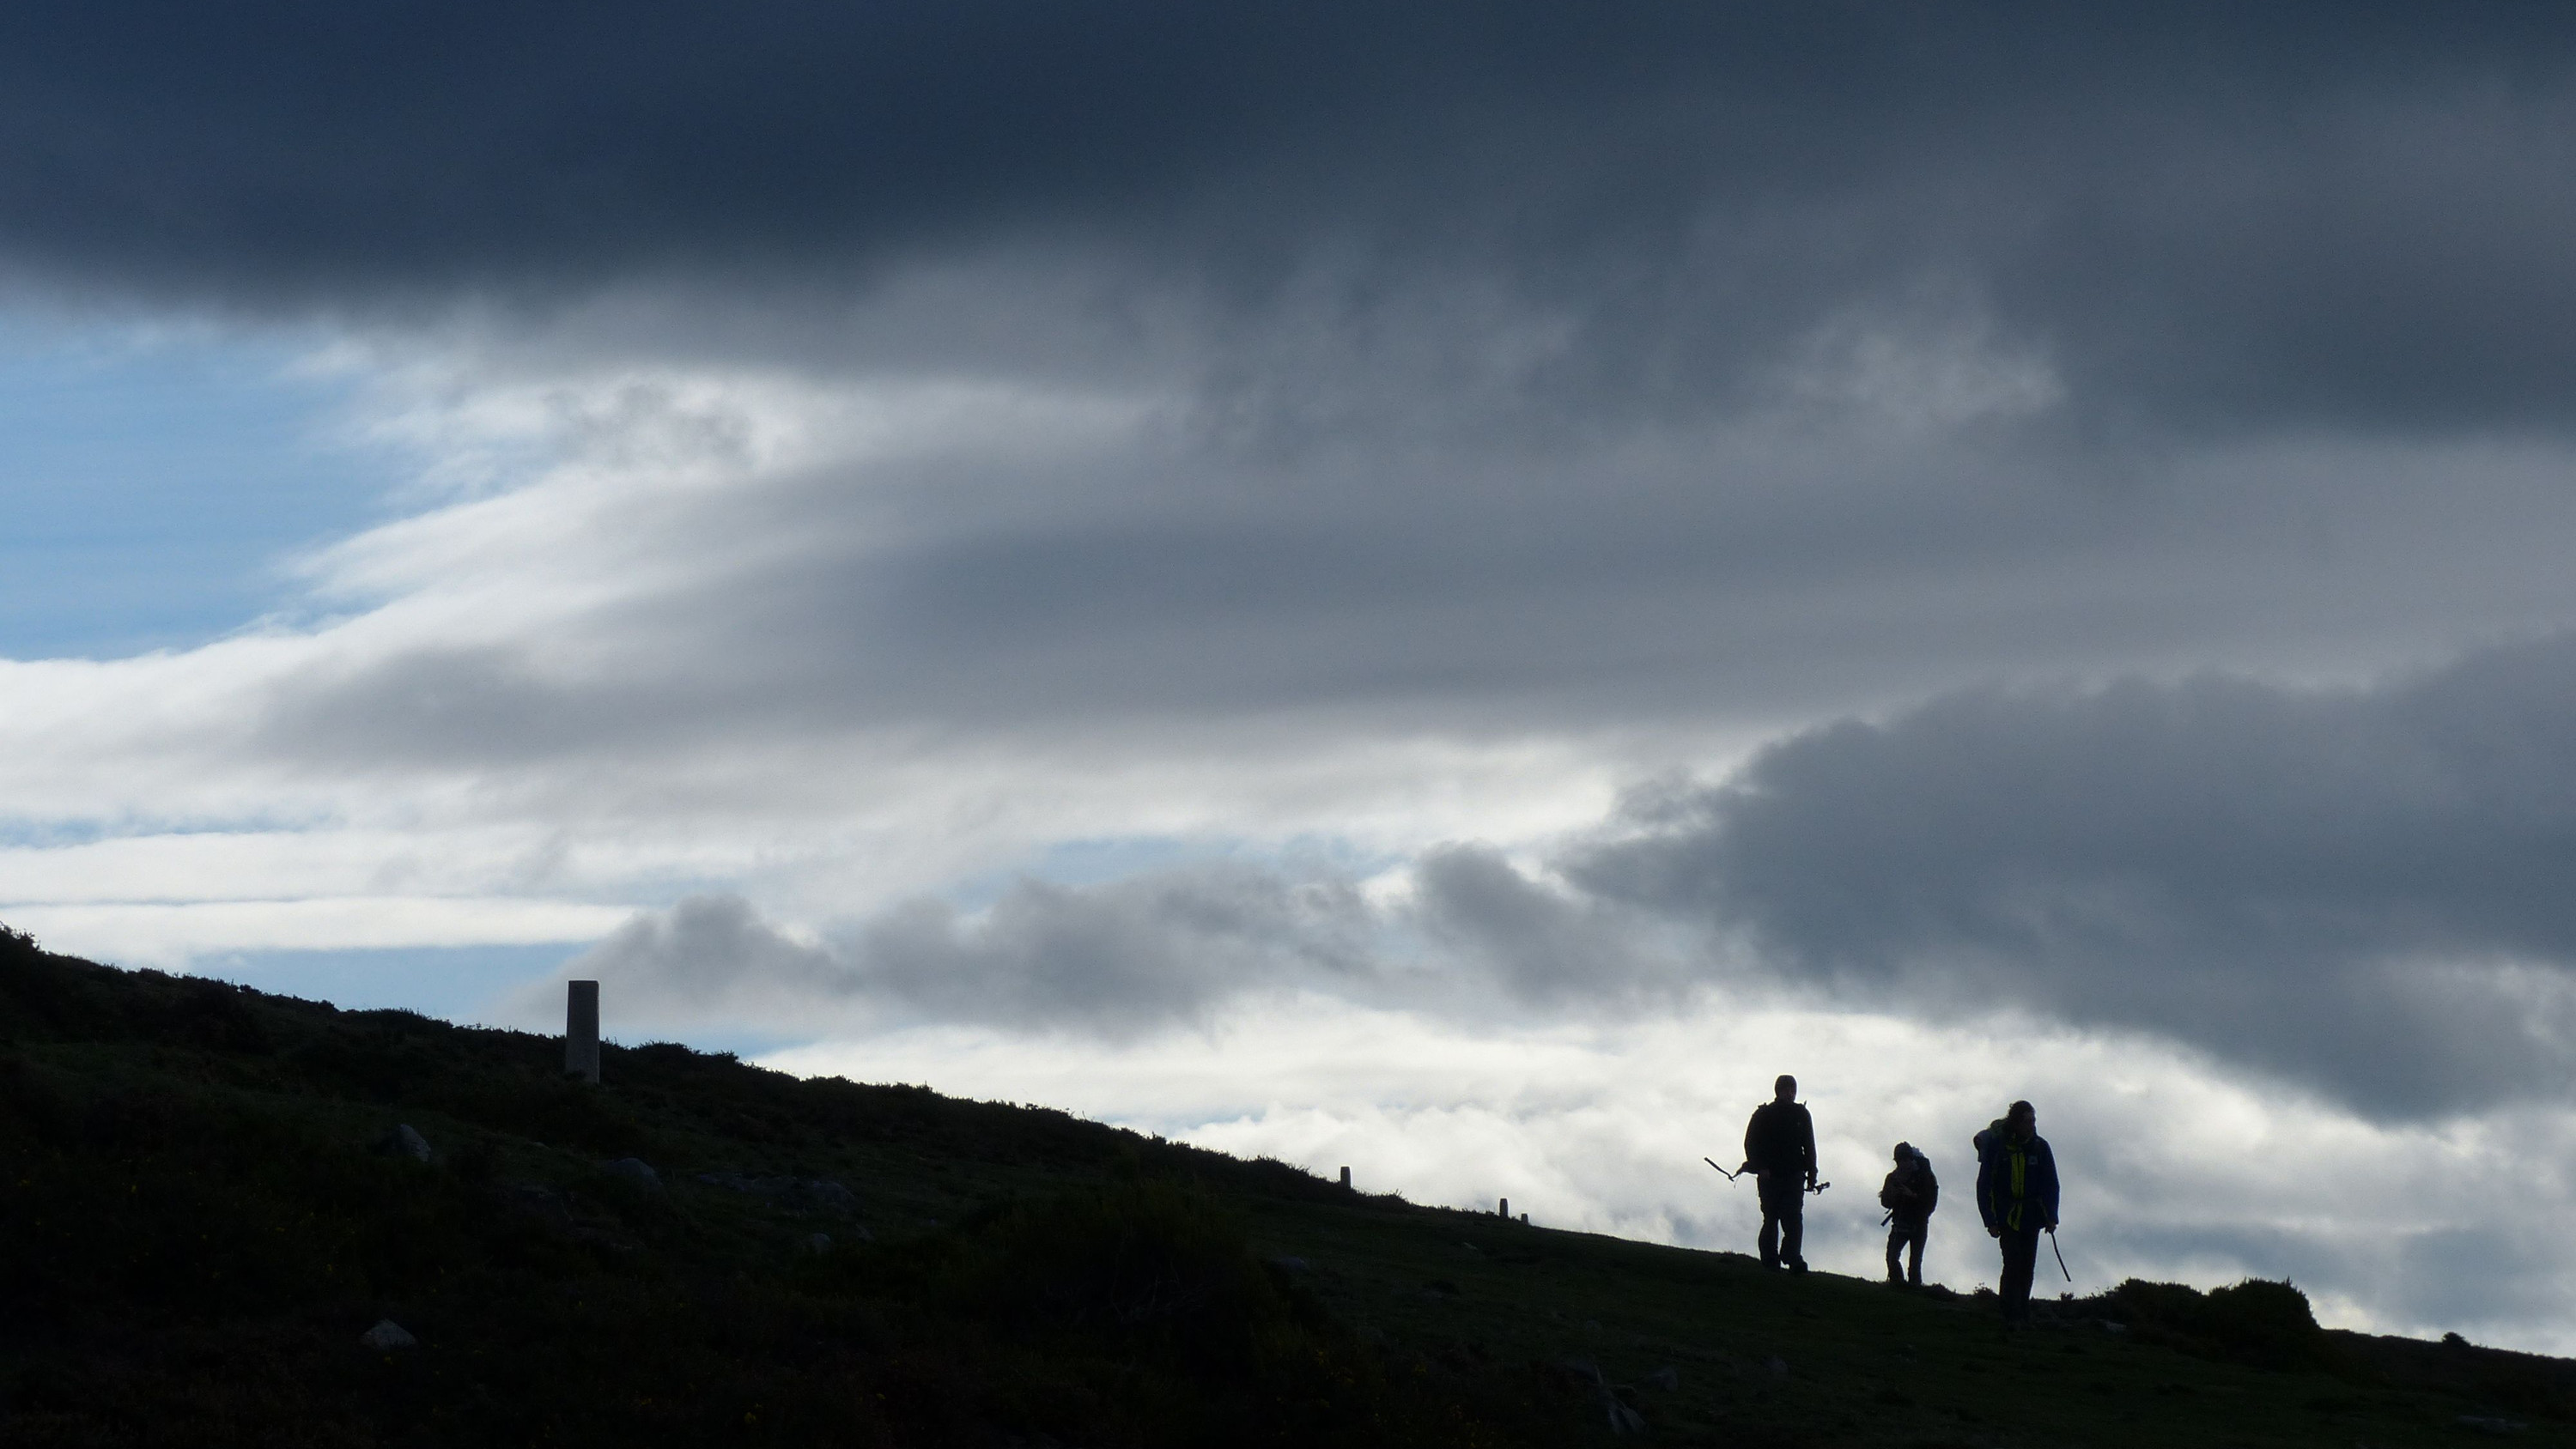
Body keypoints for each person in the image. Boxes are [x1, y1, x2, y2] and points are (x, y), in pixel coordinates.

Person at [1972, 1100, 2060, 1326]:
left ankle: (2022, 1313)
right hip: (2007, 1215)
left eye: (2033, 1121)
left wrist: (2051, 1217)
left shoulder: (2040, 1147)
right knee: (2013, 1263)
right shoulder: (1999, 1147)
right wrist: (1990, 1220)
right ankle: (2010, 1313)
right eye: (2027, 1121)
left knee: (2027, 1266)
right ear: (2016, 1122)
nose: (2031, 1125)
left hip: (2032, 1216)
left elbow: (2051, 1183)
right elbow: (1985, 1184)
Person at [1742, 1074, 1818, 1271]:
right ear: (1779, 1091)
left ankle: (1792, 1257)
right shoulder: (1763, 1114)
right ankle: (1770, 1258)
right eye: (1787, 1089)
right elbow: (1750, 1144)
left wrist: (1812, 1174)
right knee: (1771, 1217)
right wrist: (1761, 1167)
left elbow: (1809, 1146)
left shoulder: (1802, 1114)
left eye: (1793, 1090)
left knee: (1793, 1219)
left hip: (1794, 1175)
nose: (1791, 1094)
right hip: (1770, 1175)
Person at [1879, 1142, 1937, 1286]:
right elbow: (1885, 1202)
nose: (1903, 1164)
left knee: (1915, 1262)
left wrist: (1913, 1196)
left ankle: (1912, 1288)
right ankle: (1899, 1284)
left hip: (1918, 1222)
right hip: (1902, 1222)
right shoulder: (1893, 1178)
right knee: (1892, 1257)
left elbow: (1930, 1201)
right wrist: (1894, 1194)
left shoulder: (1923, 1177)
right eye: (1900, 1161)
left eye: (1905, 1160)